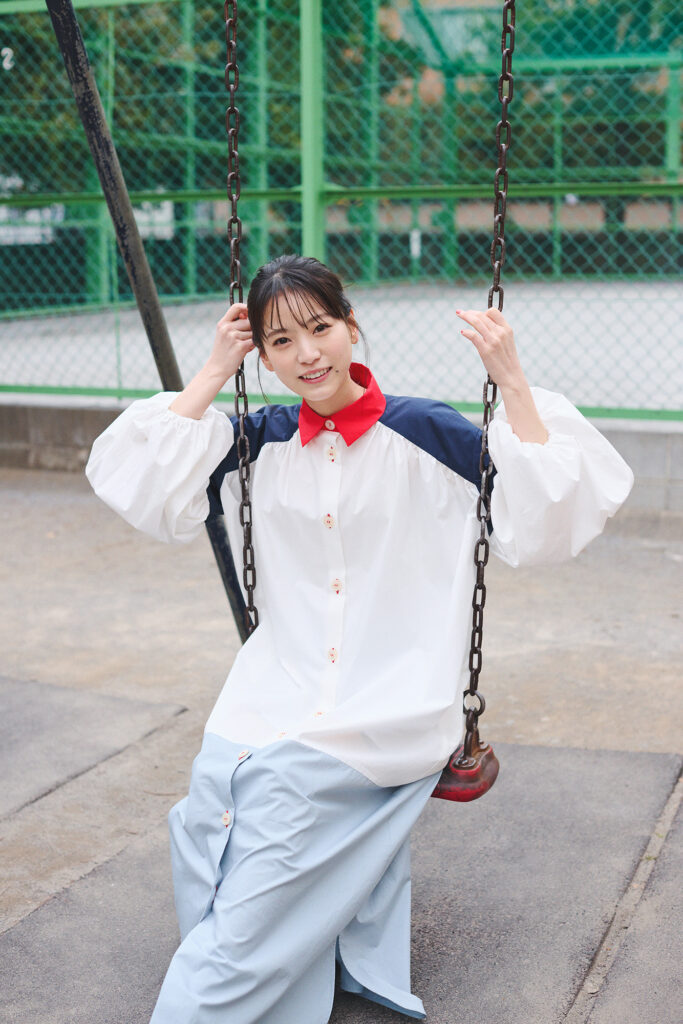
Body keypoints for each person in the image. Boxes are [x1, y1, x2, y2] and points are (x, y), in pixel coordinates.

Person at [86, 254, 633, 1024]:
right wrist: (211, 371)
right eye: (281, 341)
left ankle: (213, 992)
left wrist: (510, 380)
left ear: (351, 326)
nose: (306, 354)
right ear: (261, 355)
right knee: (206, 814)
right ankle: (291, 950)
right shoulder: (256, 444)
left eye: (319, 328)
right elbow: (144, 484)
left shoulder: (426, 435)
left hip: (386, 702)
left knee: (274, 825)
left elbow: (547, 519)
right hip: (277, 693)